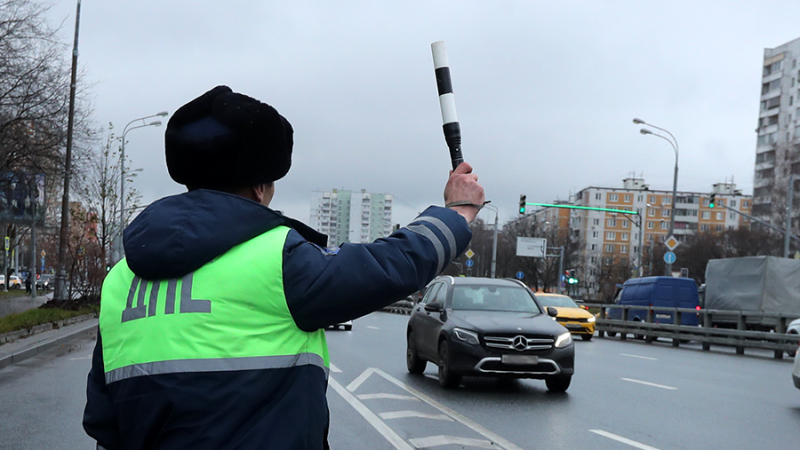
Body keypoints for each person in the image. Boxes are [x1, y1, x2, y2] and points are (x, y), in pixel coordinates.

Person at [82, 85, 484, 450]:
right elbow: (388, 265)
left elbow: (105, 425)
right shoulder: (277, 259)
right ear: (260, 187)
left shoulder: (121, 281)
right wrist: (457, 212)